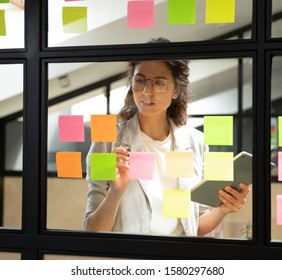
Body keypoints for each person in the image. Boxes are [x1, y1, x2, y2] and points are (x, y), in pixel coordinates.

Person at [83, 38, 249, 236]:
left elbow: (195, 226)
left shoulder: (197, 143)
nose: (147, 92)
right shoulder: (108, 142)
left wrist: (223, 209)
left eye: (159, 83)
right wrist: (116, 191)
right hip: (132, 262)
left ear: (176, 90)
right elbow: (93, 229)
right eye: (140, 80)